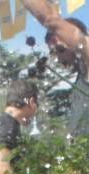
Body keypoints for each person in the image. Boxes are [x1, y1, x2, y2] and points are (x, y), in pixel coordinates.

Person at [23, 0, 89, 137]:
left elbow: (50, 19)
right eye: (53, 53)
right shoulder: (81, 76)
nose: (58, 58)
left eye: (60, 49)